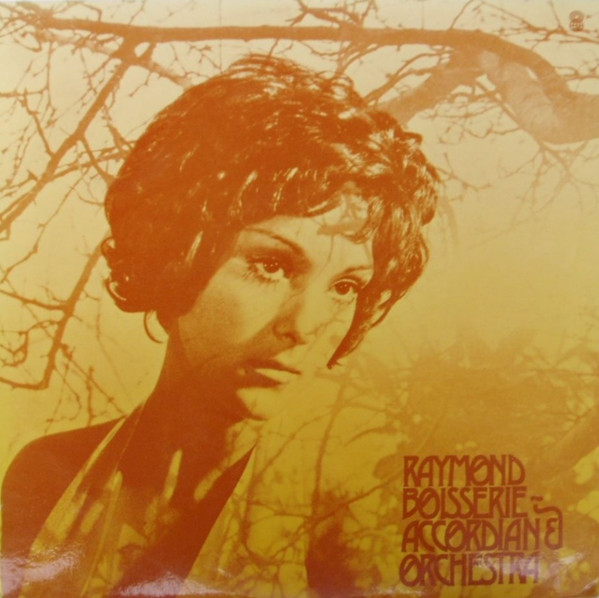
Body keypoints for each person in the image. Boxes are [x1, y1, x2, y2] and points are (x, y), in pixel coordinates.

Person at [1, 54, 438, 597]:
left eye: (345, 286)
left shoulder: (349, 531)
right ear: (173, 253)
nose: (305, 325)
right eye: (271, 264)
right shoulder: (48, 474)